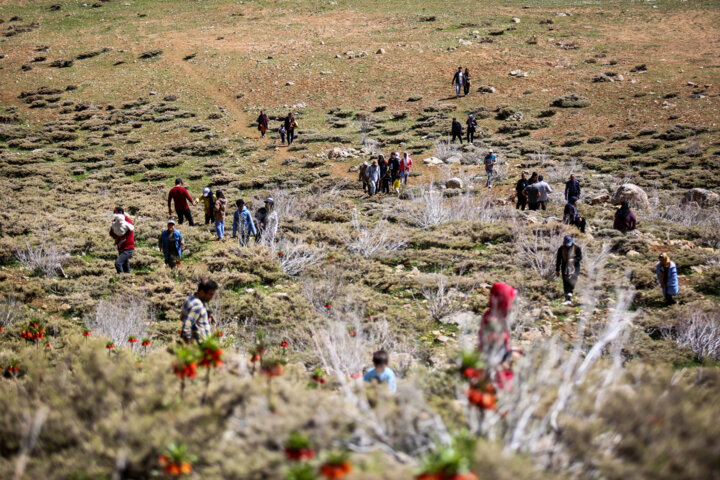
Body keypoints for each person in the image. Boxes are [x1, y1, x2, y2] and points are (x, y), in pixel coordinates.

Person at [180, 278, 217, 343]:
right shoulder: (198, 305)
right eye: (211, 294)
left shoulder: (190, 298)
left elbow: (186, 315)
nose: (212, 297)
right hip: (199, 345)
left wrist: (207, 313)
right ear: (202, 292)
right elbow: (186, 328)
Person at [556, 235, 582, 305]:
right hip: (564, 267)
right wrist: (557, 270)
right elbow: (558, 260)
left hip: (575, 266)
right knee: (565, 282)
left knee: (574, 277)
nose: (568, 246)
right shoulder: (561, 249)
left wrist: (573, 260)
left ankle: (571, 291)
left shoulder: (576, 248)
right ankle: (567, 299)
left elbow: (579, 257)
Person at [109, 206, 135, 274]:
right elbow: (111, 232)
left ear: (120, 213)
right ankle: (128, 280)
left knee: (118, 263)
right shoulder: (115, 222)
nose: (114, 214)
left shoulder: (127, 221)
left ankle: (122, 279)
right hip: (121, 248)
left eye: (115, 212)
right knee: (125, 265)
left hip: (128, 248)